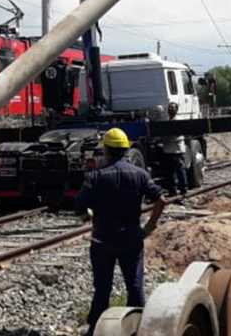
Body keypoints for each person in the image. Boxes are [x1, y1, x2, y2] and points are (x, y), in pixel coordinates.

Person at [76, 128, 166, 334]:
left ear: (106, 150)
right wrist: (150, 226)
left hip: (102, 241)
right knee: (134, 286)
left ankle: (95, 329)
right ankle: (139, 328)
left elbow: (79, 206)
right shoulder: (140, 175)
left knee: (102, 289)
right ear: (125, 150)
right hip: (131, 239)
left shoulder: (95, 176)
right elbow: (161, 199)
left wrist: (88, 217)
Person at [155, 103, 188, 198]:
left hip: (176, 150)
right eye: (169, 108)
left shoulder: (178, 121)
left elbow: (176, 135)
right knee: (170, 172)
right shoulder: (168, 121)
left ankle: (183, 190)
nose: (170, 109)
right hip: (168, 150)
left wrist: (164, 138)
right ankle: (173, 191)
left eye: (172, 108)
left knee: (180, 171)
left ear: (176, 110)